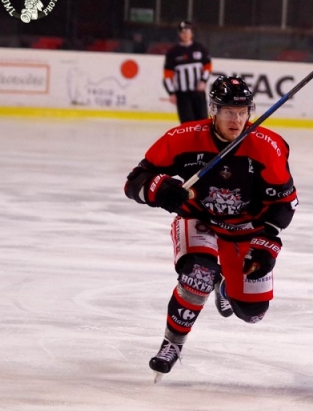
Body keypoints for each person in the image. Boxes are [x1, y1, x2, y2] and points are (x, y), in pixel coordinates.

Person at [124, 76, 298, 381]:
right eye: (229, 111)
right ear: (213, 111)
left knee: (253, 313)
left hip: (247, 229)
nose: (237, 119)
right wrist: (160, 189)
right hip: (200, 220)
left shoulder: (268, 146)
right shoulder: (182, 138)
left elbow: (284, 204)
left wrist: (266, 245)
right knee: (198, 274)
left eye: (242, 111)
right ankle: (172, 344)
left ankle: (226, 286)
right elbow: (135, 181)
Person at [163, 20, 212, 123]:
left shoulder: (200, 48)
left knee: (202, 121)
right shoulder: (173, 52)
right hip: (182, 94)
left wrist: (203, 81)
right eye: (183, 32)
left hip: (198, 92)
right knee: (187, 123)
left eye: (188, 32)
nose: (185, 35)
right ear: (179, 34)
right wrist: (171, 93)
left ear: (192, 33)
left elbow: (208, 66)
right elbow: (167, 75)